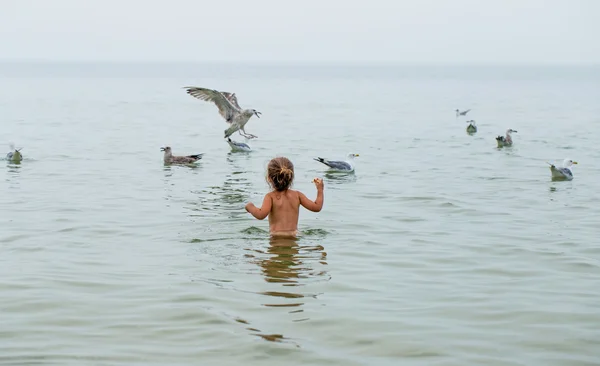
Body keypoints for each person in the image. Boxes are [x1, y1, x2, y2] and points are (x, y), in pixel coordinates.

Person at [245, 156, 324, 237]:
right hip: (293, 236)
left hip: (276, 238)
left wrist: (250, 206)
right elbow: (317, 207)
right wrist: (320, 189)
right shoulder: (297, 195)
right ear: (291, 177)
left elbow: (261, 215)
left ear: (269, 178)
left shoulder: (270, 197)